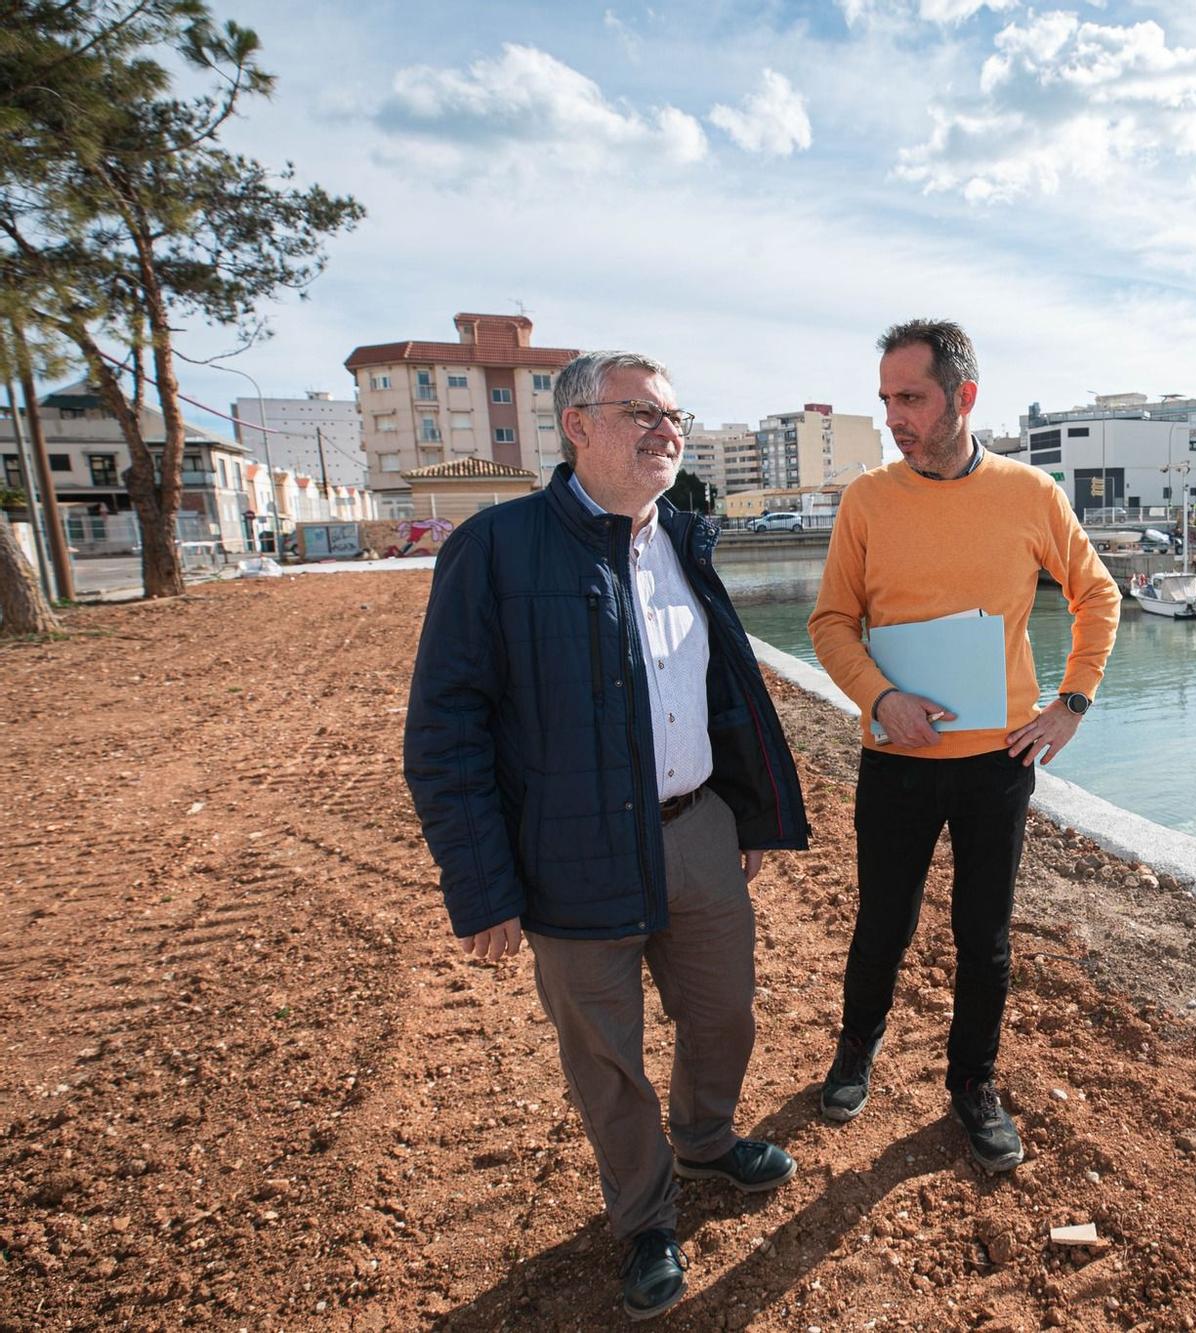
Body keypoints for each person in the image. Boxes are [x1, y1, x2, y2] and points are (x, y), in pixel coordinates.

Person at [403, 350, 809, 1321]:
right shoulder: (496, 548)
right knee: (606, 1054)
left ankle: (707, 1139)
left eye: (675, 413)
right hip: (569, 850)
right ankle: (644, 1216)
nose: (668, 429)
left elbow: (717, 691)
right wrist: (483, 887)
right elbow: (445, 728)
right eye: (642, 413)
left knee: (723, 1015)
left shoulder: (685, 537)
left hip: (699, 829)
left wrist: (746, 811)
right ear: (577, 426)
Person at [807, 319, 1120, 1173]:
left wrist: (1071, 704)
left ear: (964, 397)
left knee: (985, 938)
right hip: (896, 762)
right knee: (882, 924)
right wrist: (880, 696)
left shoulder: (1030, 495)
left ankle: (973, 1085)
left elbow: (1099, 596)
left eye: (910, 397)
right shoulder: (867, 499)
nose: (895, 417)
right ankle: (855, 1050)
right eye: (886, 400)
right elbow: (831, 621)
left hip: (1000, 764)